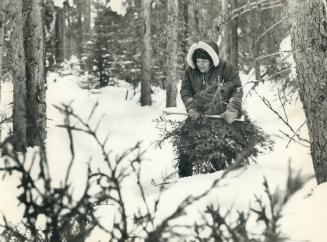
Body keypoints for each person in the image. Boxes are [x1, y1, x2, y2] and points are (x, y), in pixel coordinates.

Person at [178, 40, 243, 177]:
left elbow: (237, 89)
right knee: (185, 139)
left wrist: (232, 109)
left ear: (212, 61)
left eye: (204, 62)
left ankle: (218, 176)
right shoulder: (191, 71)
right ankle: (184, 178)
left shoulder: (226, 68)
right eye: (198, 61)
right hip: (199, 113)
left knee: (217, 144)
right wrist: (191, 108)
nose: (200, 65)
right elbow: (185, 90)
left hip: (222, 113)